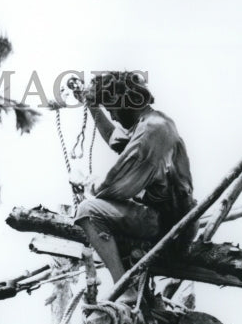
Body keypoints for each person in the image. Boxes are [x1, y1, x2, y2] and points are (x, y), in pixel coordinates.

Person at [69, 71, 195, 304]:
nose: (114, 117)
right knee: (99, 205)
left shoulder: (152, 130)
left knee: (87, 211)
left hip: (166, 224)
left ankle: (123, 289)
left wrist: (88, 183)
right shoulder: (155, 122)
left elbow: (114, 184)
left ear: (122, 103)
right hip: (167, 218)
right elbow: (117, 140)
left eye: (112, 109)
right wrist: (92, 107)